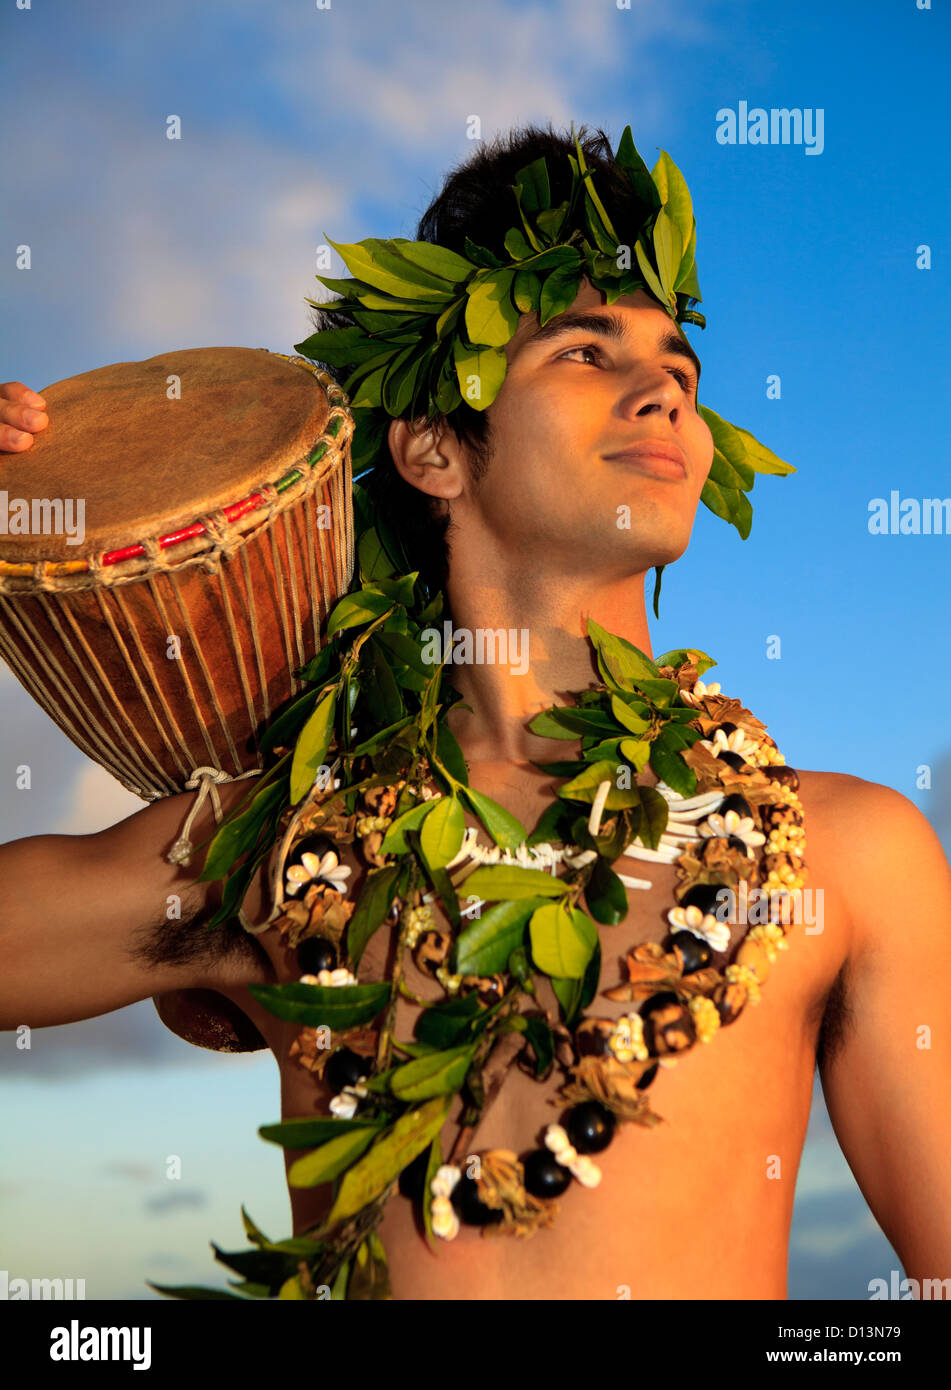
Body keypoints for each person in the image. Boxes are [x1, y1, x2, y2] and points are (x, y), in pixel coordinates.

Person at [2, 123, 951, 1302]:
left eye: (681, 369)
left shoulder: (849, 861)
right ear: (435, 450)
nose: (664, 390)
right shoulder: (284, 849)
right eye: (586, 353)